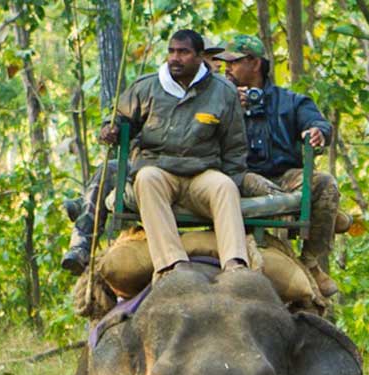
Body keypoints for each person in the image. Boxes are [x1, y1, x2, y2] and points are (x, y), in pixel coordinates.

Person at [63, 30, 249, 276]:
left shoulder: (223, 92)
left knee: (225, 186)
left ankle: (235, 264)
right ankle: (173, 264)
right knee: (146, 178)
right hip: (159, 171)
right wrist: (110, 128)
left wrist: (235, 180)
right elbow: (118, 117)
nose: (175, 58)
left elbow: (235, 146)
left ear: (199, 57)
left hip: (202, 172)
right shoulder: (147, 86)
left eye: (183, 52)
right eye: (171, 51)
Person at [215, 34, 341, 298]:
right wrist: (228, 108)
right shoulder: (219, 98)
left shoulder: (290, 101)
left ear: (254, 63)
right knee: (254, 186)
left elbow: (319, 124)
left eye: (234, 62)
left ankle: (310, 261)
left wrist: (316, 133)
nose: (227, 68)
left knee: (325, 183)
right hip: (237, 178)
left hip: (283, 176)